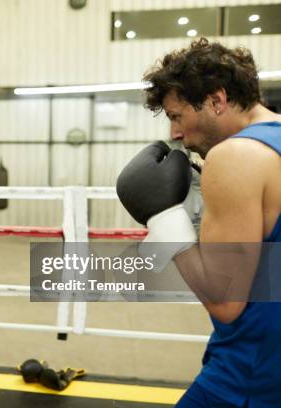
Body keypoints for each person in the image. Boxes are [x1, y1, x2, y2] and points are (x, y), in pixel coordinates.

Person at [116, 38, 281, 407]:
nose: (175, 133)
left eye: (177, 116)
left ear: (216, 101)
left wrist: (164, 217)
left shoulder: (235, 156)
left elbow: (225, 301)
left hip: (250, 375)